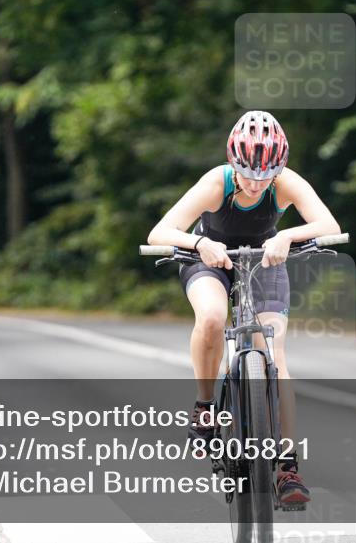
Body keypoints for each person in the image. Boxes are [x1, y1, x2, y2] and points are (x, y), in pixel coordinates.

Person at [146, 110, 341, 507]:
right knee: (214, 318)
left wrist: (287, 235)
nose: (255, 183)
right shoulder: (216, 182)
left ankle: (287, 467)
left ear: (279, 167)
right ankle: (204, 408)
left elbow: (329, 225)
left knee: (275, 352)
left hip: (264, 260)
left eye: (265, 175)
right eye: (247, 173)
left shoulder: (285, 182)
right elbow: (160, 231)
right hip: (208, 258)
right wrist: (200, 245)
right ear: (234, 164)